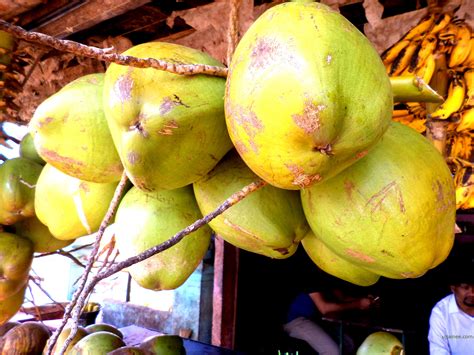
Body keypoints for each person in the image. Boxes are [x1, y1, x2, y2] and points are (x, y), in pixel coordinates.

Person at [283, 277, 378, 355]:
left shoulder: (330, 278)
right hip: (296, 321)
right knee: (332, 352)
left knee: (347, 344)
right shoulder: (312, 278)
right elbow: (324, 308)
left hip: (314, 320)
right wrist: (358, 304)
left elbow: (343, 299)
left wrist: (365, 301)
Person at [428, 280, 474, 354]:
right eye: (466, 287)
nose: (472, 292)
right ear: (453, 288)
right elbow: (438, 350)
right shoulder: (441, 312)